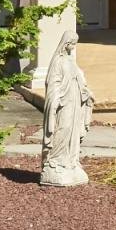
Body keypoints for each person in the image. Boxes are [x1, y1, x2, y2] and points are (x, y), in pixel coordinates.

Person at [40, 30, 94, 187]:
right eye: (72, 44)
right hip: (63, 103)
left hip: (75, 101)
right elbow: (52, 83)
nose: (73, 47)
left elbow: (79, 80)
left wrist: (87, 93)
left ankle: (71, 162)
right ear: (66, 44)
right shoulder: (58, 61)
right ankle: (55, 162)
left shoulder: (71, 61)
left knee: (73, 131)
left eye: (75, 44)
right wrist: (55, 99)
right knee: (63, 129)